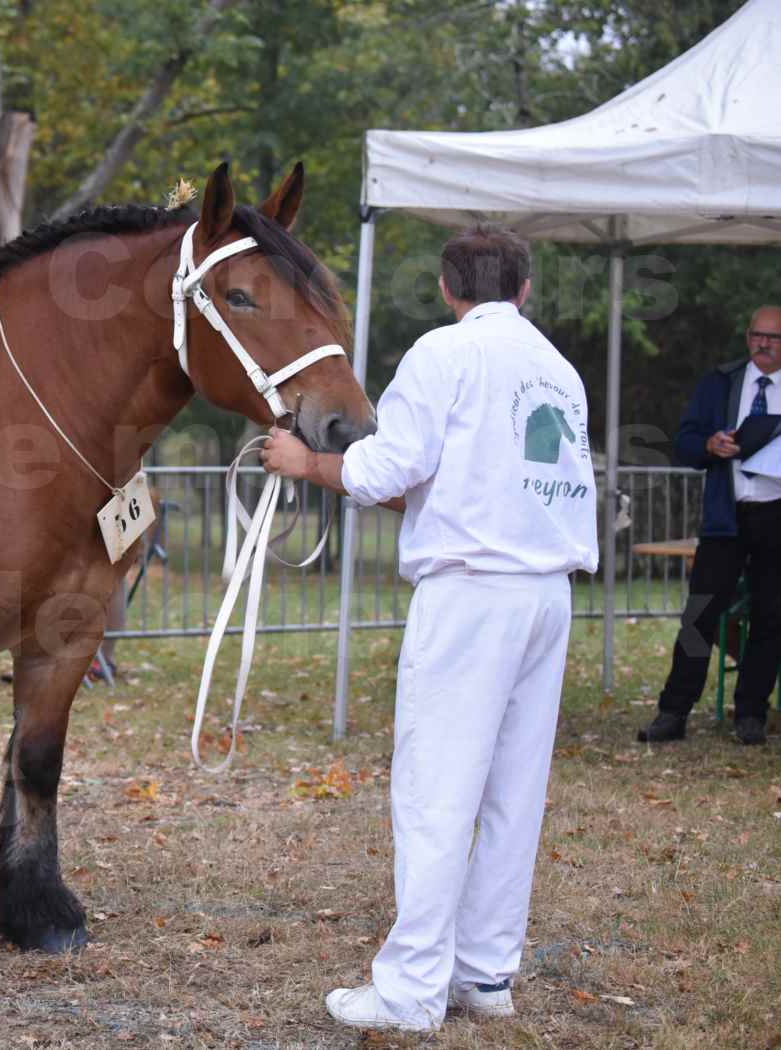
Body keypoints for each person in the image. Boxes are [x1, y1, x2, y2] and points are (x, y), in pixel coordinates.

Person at [260, 224, 598, 1032]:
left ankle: (410, 989)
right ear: (522, 290)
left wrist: (306, 463)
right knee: (511, 793)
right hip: (544, 591)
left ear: (450, 292)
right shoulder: (559, 370)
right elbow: (459, 479)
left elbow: (385, 467)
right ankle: (484, 973)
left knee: (436, 789)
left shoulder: (441, 356)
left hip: (470, 594)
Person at [638, 306, 781, 747]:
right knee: (700, 614)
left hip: (776, 514)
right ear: (746, 336)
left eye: (774, 338)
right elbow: (682, 442)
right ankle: (674, 710)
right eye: (757, 335)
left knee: (771, 617)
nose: (764, 344)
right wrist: (708, 444)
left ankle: (752, 713)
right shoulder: (720, 383)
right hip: (726, 515)